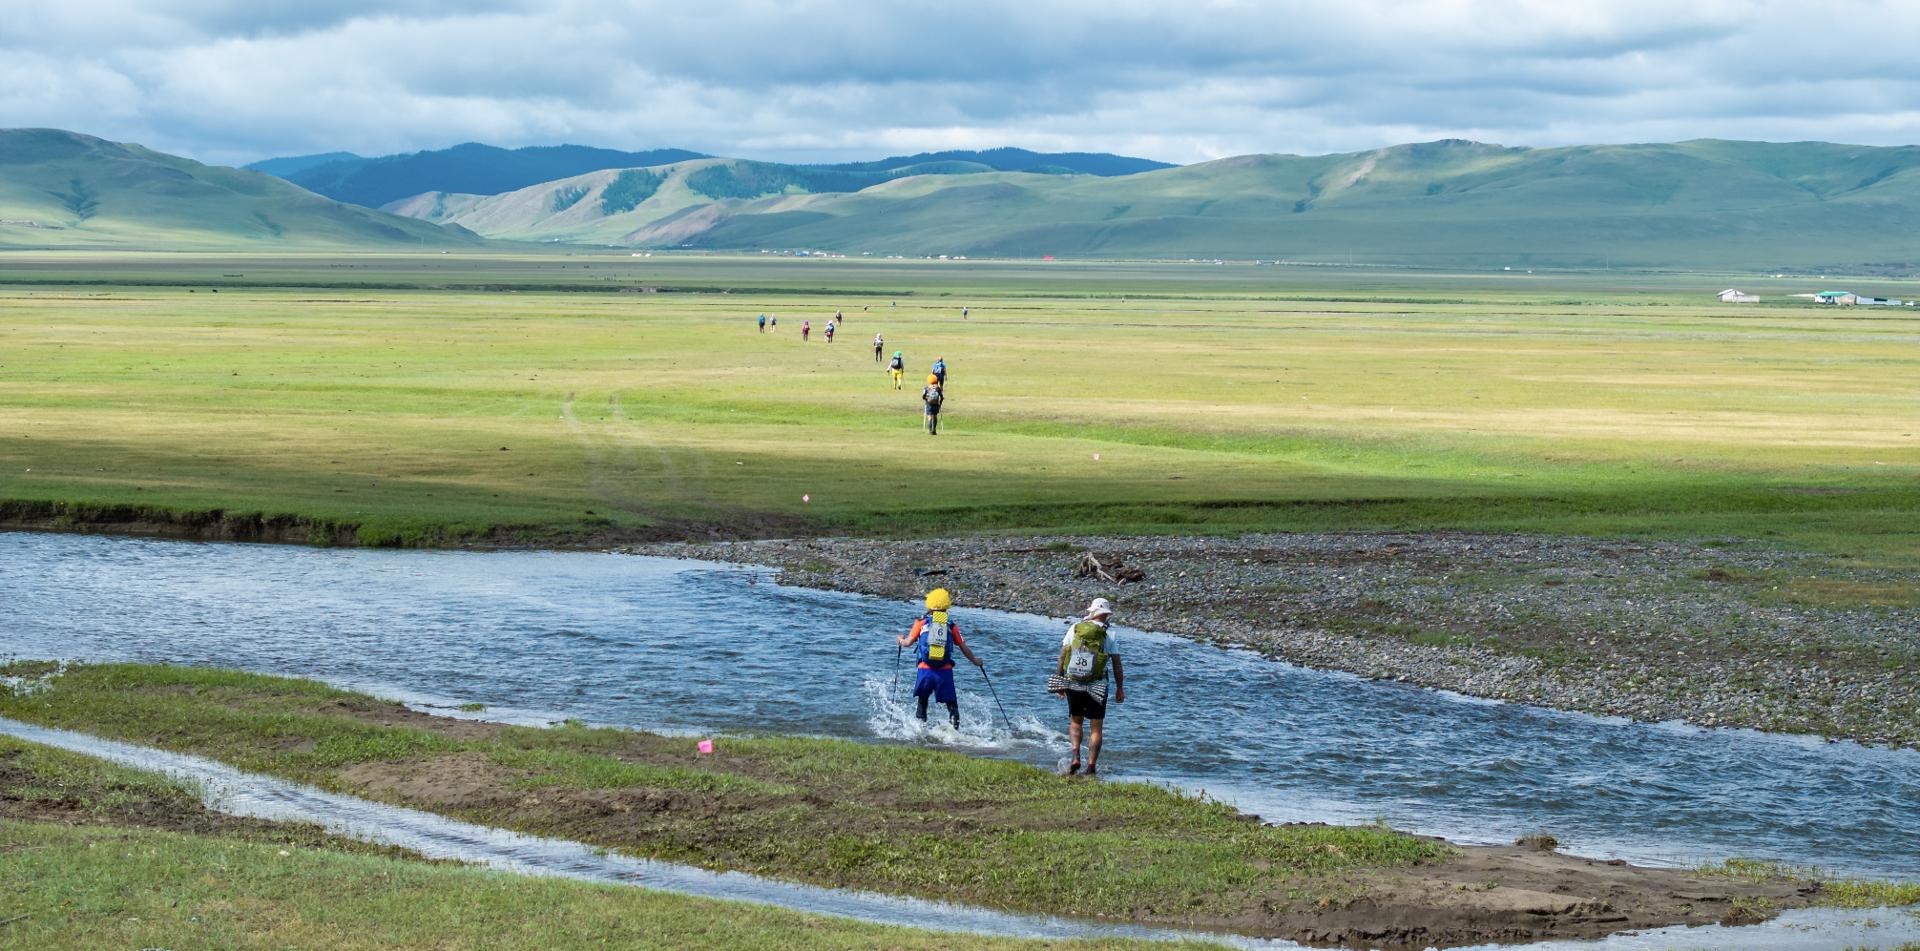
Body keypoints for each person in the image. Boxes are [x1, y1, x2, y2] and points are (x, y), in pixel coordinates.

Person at [1049, 597, 1124, 776]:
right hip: (1098, 685)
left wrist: (1060, 681)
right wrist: (1120, 687)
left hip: (1073, 681)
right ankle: (1091, 767)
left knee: (1076, 721)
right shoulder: (1110, 634)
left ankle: (1076, 757)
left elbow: (1062, 656)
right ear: (1106, 614)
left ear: (1091, 612)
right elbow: (1116, 664)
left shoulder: (1075, 628)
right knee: (1096, 727)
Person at [897, 588, 981, 728]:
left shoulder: (921, 623)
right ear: (946, 606)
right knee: (952, 707)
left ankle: (920, 734)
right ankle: (954, 736)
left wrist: (900, 639)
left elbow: (907, 643)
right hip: (944, 672)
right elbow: (964, 648)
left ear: (929, 606)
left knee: (922, 704)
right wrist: (976, 661)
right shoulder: (951, 625)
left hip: (925, 671)